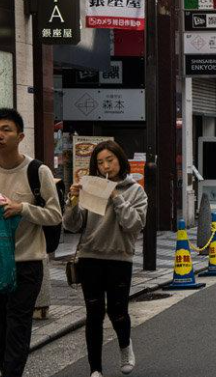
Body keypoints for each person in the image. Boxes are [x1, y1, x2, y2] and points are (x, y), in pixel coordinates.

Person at [0, 108, 62, 377]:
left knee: (17, 328)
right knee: (1, 329)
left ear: (20, 135)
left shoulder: (38, 171)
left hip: (27, 263)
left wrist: (22, 208)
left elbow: (54, 215)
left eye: (6, 130)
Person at [64, 141, 148, 377]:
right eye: (100, 162)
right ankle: (95, 369)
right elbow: (72, 225)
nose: (105, 166)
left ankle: (124, 346)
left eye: (109, 160)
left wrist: (116, 197)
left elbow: (134, 224)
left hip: (119, 257)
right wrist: (72, 201)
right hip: (89, 256)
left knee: (118, 310)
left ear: (120, 159)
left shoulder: (135, 191)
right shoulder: (91, 187)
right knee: (94, 313)